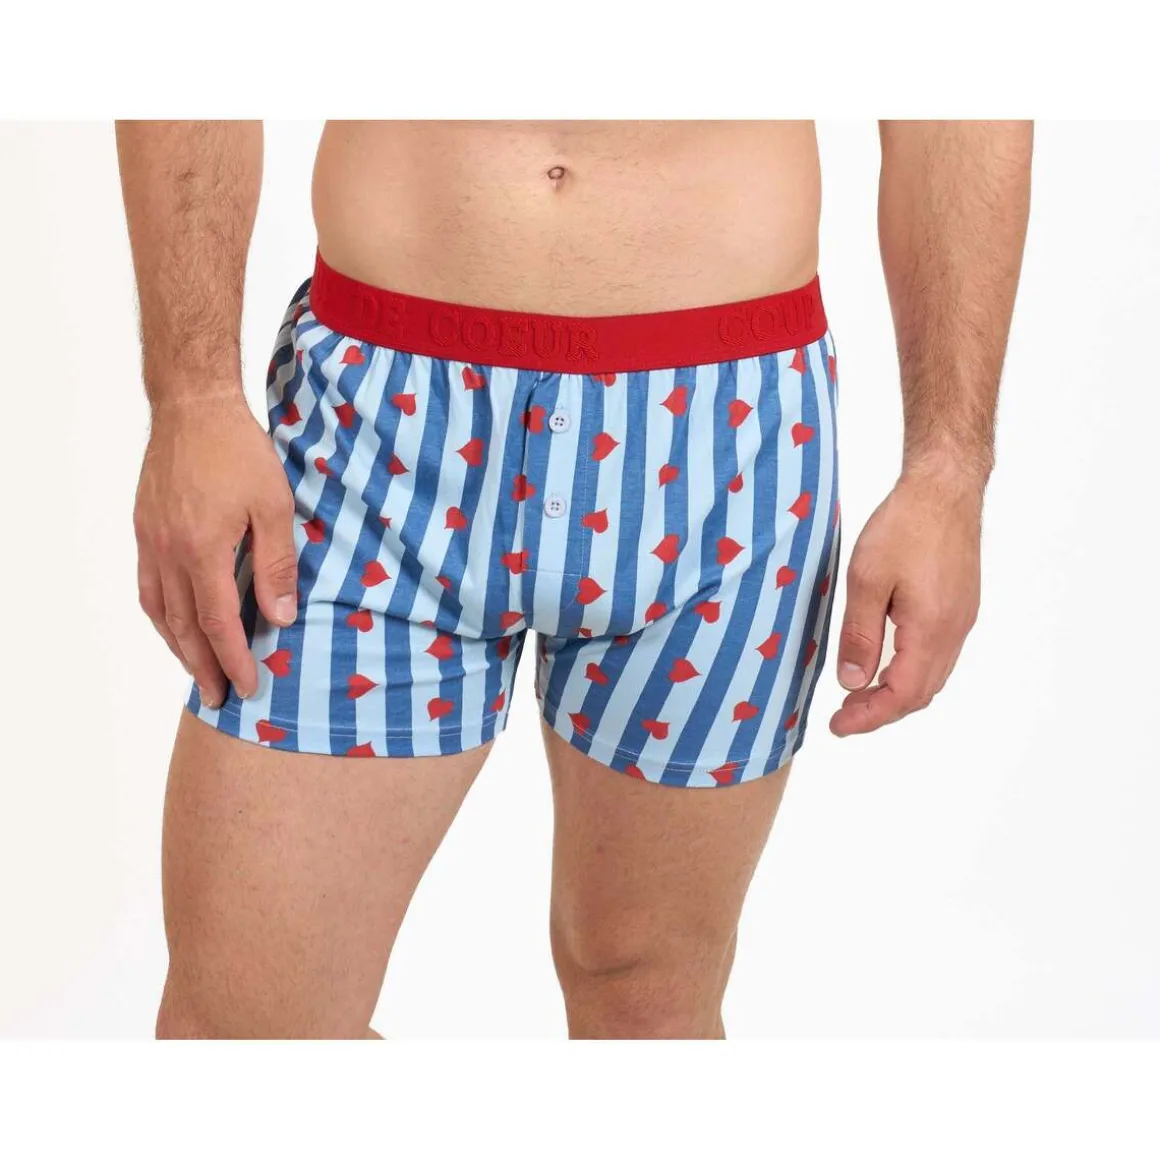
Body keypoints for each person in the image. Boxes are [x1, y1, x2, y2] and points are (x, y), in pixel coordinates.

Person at [116, 120, 1032, 1039]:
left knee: (648, 1003)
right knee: (243, 1028)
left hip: (725, 441)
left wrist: (949, 470)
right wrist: (191, 397)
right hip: (377, 430)